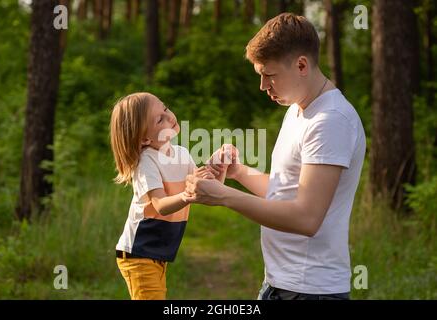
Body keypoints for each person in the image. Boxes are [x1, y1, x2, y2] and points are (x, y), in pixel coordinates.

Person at [185, 13, 366, 300]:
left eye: (269, 75)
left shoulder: (331, 120)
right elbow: (286, 192)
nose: (263, 86)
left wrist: (223, 196)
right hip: (280, 285)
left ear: (302, 65)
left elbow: (307, 218)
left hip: (311, 291)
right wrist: (239, 173)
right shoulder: (298, 110)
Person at [109, 92, 217, 300]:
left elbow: (204, 189)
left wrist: (217, 166)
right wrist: (187, 195)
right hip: (139, 252)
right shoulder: (146, 162)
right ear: (145, 138)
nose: (170, 117)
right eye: (160, 119)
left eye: (165, 109)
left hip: (158, 251)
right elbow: (160, 204)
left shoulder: (181, 154)